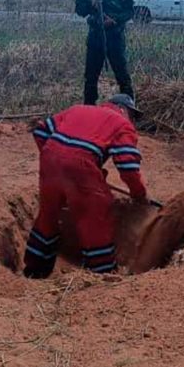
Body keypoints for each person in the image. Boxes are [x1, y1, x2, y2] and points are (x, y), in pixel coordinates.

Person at [23, 94, 148, 278]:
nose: (133, 121)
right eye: (133, 115)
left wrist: (57, 161)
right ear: (122, 109)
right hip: (81, 165)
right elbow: (128, 166)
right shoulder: (121, 123)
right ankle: (102, 275)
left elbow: (41, 132)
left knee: (48, 215)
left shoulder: (78, 109)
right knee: (95, 220)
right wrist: (139, 194)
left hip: (50, 160)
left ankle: (34, 270)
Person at [74, 0, 135, 105]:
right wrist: (90, 4)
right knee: (90, 78)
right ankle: (89, 111)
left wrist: (115, 20)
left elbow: (130, 11)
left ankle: (129, 111)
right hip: (95, 37)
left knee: (123, 77)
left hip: (115, 37)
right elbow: (79, 9)